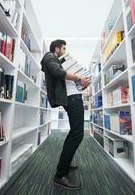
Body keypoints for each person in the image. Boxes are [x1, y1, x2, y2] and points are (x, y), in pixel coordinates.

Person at [40, 39, 89, 190]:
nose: (65, 51)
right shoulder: (49, 57)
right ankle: (60, 175)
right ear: (57, 48)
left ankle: (64, 164)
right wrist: (79, 78)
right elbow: (57, 72)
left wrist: (80, 82)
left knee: (74, 133)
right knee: (77, 134)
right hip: (72, 99)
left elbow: (62, 75)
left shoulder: (58, 60)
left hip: (73, 96)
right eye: (63, 48)